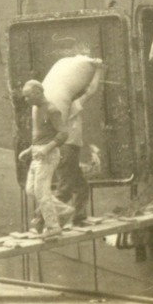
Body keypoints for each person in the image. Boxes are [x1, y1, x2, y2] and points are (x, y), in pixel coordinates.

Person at [54, 59, 104, 225]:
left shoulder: (62, 107)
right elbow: (91, 91)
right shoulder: (72, 106)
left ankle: (78, 218)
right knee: (65, 189)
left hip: (69, 151)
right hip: (67, 150)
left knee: (80, 187)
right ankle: (44, 219)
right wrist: (98, 71)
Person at [19, 80, 72, 233]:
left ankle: (53, 226)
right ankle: (64, 210)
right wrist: (30, 150)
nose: (26, 100)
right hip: (38, 153)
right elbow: (42, 134)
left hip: (48, 155)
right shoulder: (35, 108)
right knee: (31, 190)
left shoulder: (51, 109)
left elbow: (63, 133)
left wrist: (46, 149)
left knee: (41, 192)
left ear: (37, 92)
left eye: (28, 96)